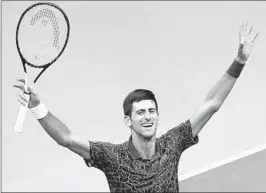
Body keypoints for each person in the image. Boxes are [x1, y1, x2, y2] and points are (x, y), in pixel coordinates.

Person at [14, 21, 258, 192]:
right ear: (128, 120)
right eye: (140, 112)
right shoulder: (112, 157)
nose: (148, 116)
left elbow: (211, 105)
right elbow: (67, 138)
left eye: (152, 111)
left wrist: (239, 62)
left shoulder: (171, 145)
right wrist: (37, 106)